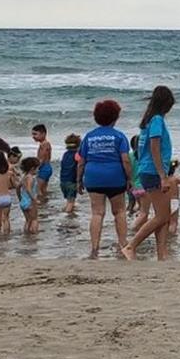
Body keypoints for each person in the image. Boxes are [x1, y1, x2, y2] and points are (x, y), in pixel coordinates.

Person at [122, 86, 175, 261]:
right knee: (162, 216)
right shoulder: (157, 120)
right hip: (153, 172)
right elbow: (155, 147)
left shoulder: (148, 121)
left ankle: (161, 254)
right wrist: (163, 176)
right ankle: (131, 246)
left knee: (164, 215)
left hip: (148, 171)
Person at [79, 99, 133, 258]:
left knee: (97, 213)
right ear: (115, 117)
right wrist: (130, 178)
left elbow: (81, 162)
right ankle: (123, 243)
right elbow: (125, 159)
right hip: (115, 177)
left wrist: (78, 180)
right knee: (119, 211)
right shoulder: (119, 136)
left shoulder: (89, 137)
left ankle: (94, 248)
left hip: (93, 176)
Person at [18, 158, 41, 234]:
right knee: (34, 219)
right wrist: (34, 199)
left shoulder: (24, 177)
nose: (38, 170)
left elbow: (18, 187)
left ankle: (26, 234)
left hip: (23, 202)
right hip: (30, 202)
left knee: (28, 220)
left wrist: (20, 198)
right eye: (37, 168)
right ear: (32, 168)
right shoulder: (31, 178)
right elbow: (28, 189)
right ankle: (34, 236)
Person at [31, 124, 53, 203]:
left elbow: (42, 159)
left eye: (35, 134)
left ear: (43, 134)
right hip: (47, 167)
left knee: (38, 189)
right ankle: (45, 204)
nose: (33, 136)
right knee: (43, 189)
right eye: (32, 134)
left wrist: (35, 169)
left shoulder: (44, 144)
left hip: (44, 168)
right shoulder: (44, 144)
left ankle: (40, 204)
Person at [60, 133, 81, 214]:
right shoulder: (77, 155)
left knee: (69, 200)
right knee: (71, 202)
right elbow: (80, 166)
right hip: (71, 181)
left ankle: (69, 212)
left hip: (63, 181)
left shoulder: (65, 154)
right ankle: (67, 218)